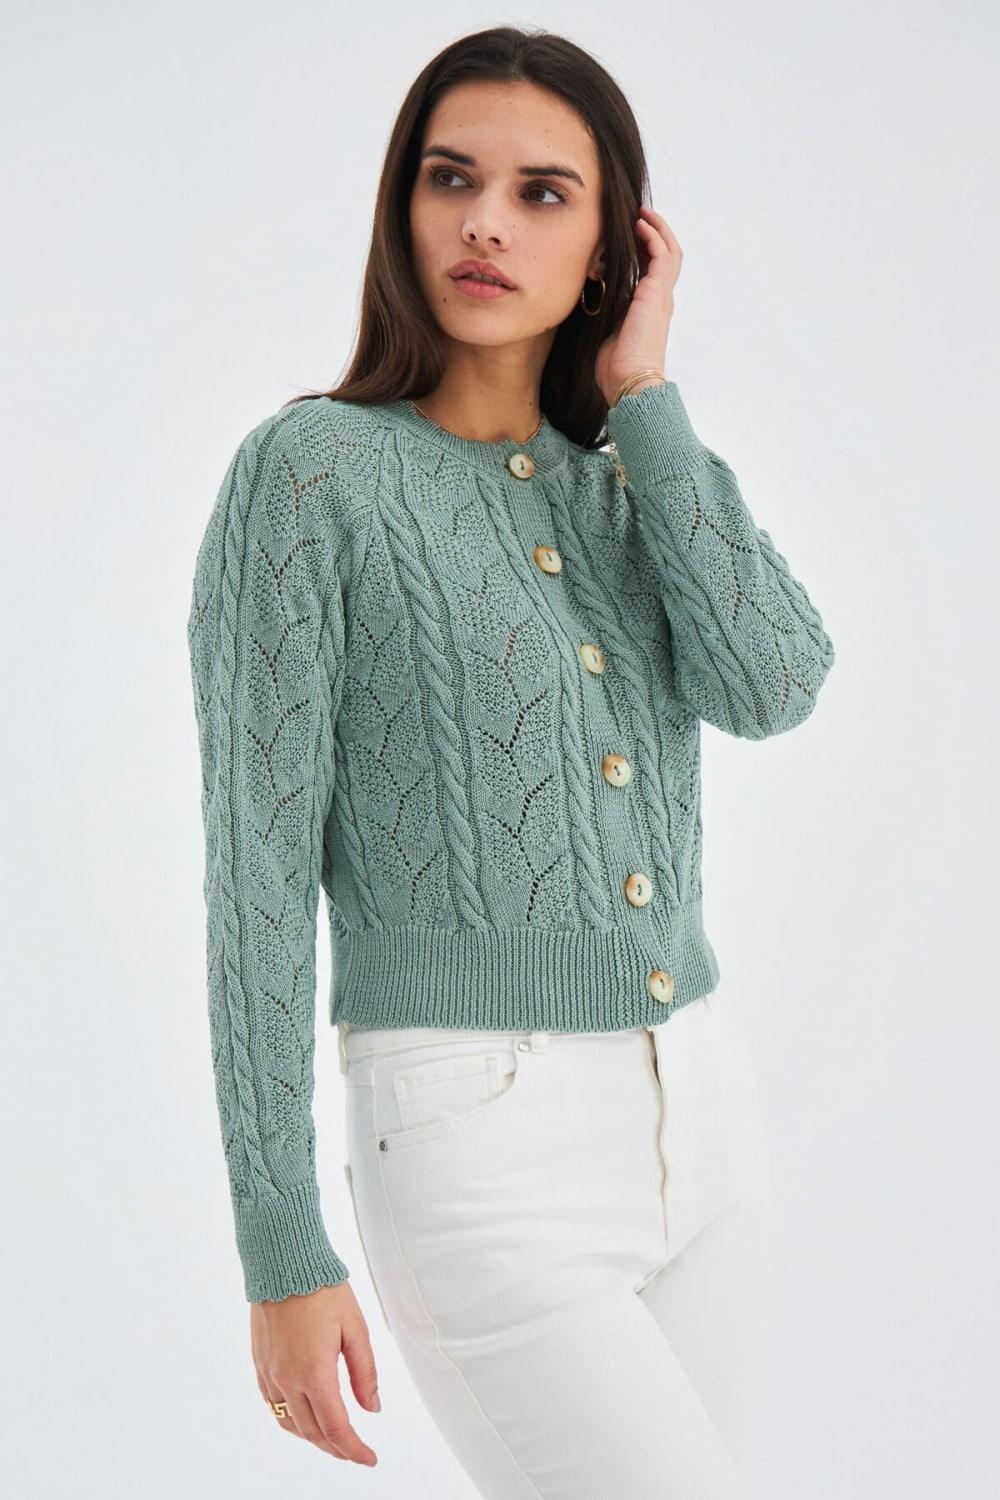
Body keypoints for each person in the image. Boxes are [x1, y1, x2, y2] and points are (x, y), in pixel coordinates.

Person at [186, 25, 834, 1497]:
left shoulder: (631, 487)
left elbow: (776, 683)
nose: (484, 221)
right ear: (402, 205)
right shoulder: (311, 476)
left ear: (612, 249)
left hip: (704, 1115)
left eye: (543, 193)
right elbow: (256, 879)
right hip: (479, 1141)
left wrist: (646, 392)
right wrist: (279, 1241)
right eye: (450, 177)